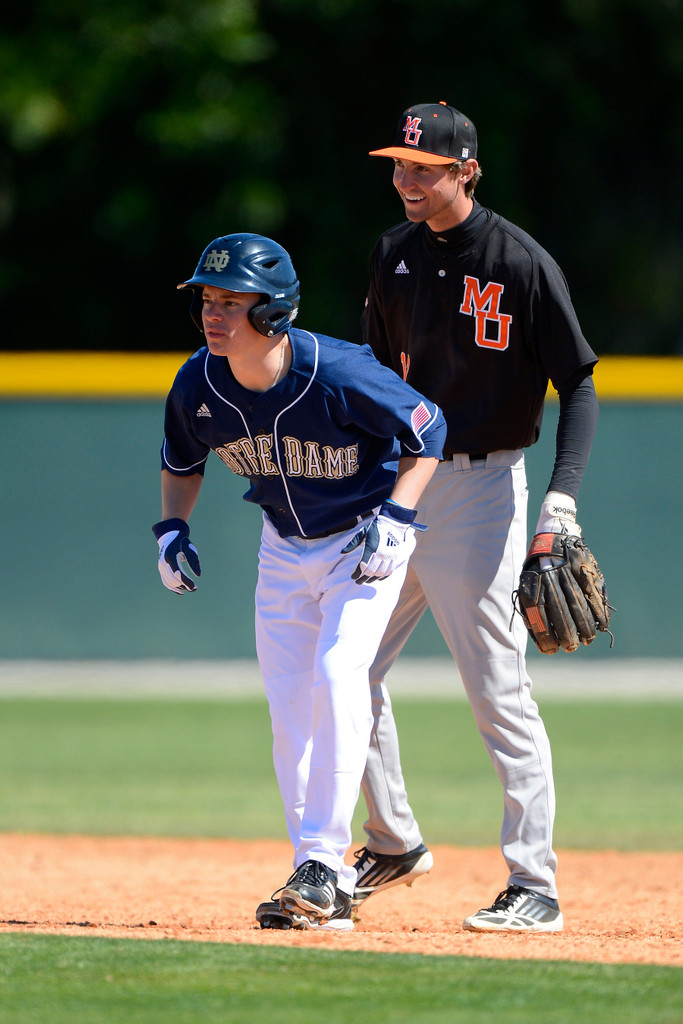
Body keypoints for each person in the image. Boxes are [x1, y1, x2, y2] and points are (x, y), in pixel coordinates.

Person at [349, 102, 601, 932]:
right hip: (401, 486)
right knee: (343, 667)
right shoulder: (392, 255)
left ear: (466, 171)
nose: (407, 180)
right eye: (399, 166)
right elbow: (377, 383)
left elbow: (581, 384)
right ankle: (390, 841)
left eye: (424, 168)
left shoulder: (519, 262)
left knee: (497, 689)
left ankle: (535, 885)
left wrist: (558, 500)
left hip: (486, 487)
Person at [152, 232, 446, 932]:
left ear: (274, 310)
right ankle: (318, 885)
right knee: (289, 710)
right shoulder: (201, 380)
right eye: (206, 300)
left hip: (363, 541)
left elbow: (427, 428)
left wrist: (400, 514)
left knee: (339, 673)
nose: (212, 314)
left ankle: (321, 861)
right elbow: (180, 459)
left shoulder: (335, 371)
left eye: (231, 301)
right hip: (281, 547)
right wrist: (170, 527)